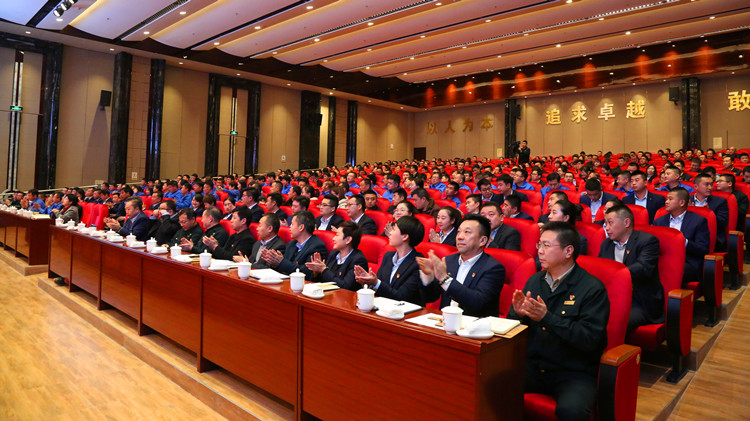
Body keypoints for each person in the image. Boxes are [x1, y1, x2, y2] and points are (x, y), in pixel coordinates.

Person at [507, 221, 609, 421]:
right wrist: (518, 314)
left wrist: (547, 318)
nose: (539, 251)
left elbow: (590, 339)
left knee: (572, 411)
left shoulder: (592, 288)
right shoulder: (535, 280)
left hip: (573, 372)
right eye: (539, 244)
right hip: (534, 365)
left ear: (568, 251)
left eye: (546, 245)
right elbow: (515, 328)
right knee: (488, 384)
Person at [418, 214, 505, 317]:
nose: (459, 237)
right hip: (444, 321)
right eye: (459, 232)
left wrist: (444, 279)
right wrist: (428, 276)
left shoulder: (493, 268)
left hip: (475, 324)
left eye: (467, 232)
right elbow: (431, 297)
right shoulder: (449, 260)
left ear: (482, 240)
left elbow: (478, 302)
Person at [599, 205, 663, 332]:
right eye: (605, 223)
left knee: (613, 323)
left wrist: (615, 275)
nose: (607, 228)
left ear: (626, 222)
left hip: (639, 302)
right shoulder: (606, 244)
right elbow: (600, 268)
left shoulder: (647, 241)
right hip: (611, 299)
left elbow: (643, 268)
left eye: (610, 223)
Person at [354, 216, 425, 305]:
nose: (390, 233)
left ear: (405, 237)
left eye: (394, 229)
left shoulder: (418, 263)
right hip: (384, 308)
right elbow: (382, 287)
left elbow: (401, 297)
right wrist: (369, 281)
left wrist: (376, 282)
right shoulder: (388, 256)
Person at [653, 188, 711, 287]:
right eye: (666, 199)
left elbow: (703, 249)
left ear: (681, 202)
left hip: (687, 262)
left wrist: (685, 242)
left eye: (670, 199)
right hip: (662, 260)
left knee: (670, 269)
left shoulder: (698, 221)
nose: (666, 202)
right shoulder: (659, 222)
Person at [306, 221, 369, 291]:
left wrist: (324, 270)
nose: (333, 238)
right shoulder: (333, 254)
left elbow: (346, 287)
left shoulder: (358, 260)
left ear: (348, 240)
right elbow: (322, 282)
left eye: (337, 235)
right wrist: (317, 273)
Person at [260, 211, 328, 276]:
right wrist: (274, 263)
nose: (290, 228)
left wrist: (281, 262)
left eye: (292, 225)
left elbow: (307, 272)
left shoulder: (317, 246)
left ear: (301, 227)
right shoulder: (291, 244)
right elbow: (283, 267)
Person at [690, 173, 730, 252]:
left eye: (711, 184)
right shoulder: (687, 200)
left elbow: (723, 223)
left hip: (712, 238)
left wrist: (709, 214)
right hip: (690, 236)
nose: (710, 187)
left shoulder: (720, 201)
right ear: (696, 186)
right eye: (706, 184)